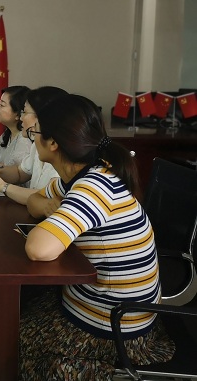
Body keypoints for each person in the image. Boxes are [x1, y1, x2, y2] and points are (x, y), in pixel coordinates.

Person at [18, 94, 174, 380]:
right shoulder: (84, 174)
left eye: (35, 132)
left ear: (53, 143)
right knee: (15, 311)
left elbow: (39, 249)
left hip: (117, 327)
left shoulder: (94, 187)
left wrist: (52, 216)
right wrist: (51, 208)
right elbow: (34, 200)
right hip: (106, 307)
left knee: (14, 338)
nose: (32, 139)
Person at [0, 86, 66, 213]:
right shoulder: (37, 144)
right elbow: (20, 173)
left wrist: (2, 186)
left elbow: (45, 197)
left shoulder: (61, 153)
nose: (21, 117)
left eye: (25, 112)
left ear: (43, 117)